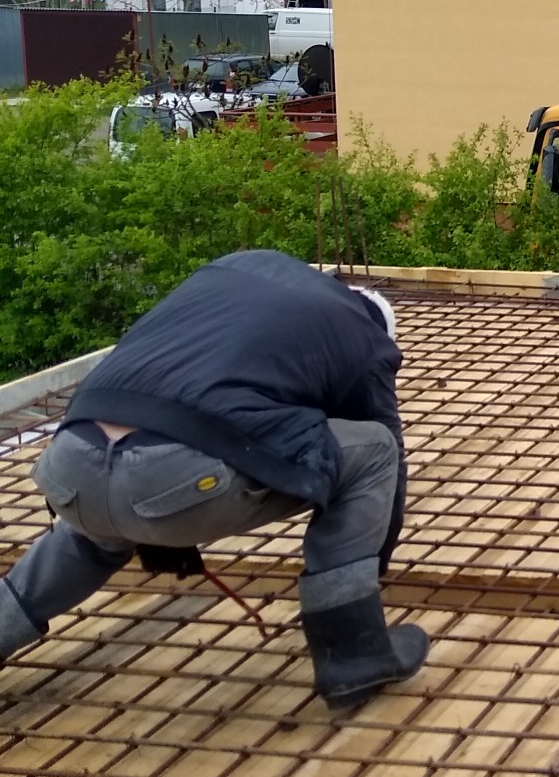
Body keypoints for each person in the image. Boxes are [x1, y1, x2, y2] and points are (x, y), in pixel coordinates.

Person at [0, 251, 428, 711]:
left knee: (92, 536)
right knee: (374, 449)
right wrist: (370, 569)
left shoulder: (236, 273)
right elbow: (390, 451)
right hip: (171, 478)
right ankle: (354, 654)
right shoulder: (365, 339)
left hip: (70, 463)